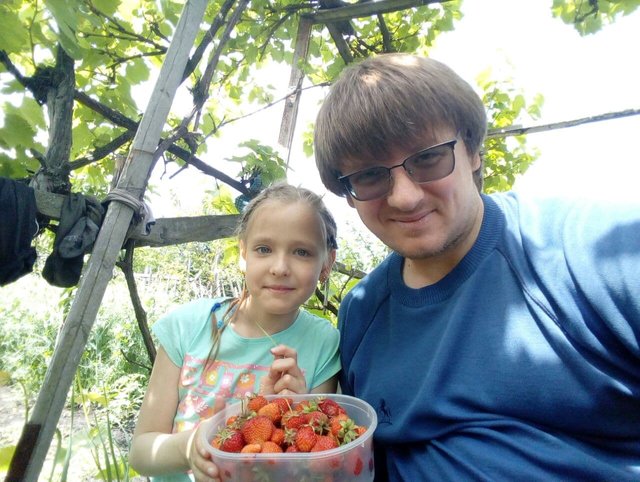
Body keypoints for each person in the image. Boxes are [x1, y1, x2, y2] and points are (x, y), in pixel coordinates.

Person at [313, 53, 640, 481]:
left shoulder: (591, 249)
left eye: (429, 158)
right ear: (350, 194)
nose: (406, 197)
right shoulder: (359, 312)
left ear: (472, 151)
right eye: (371, 176)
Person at [129, 182, 340, 481]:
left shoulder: (322, 342)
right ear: (243, 253)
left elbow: (311, 465)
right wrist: (191, 447)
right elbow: (141, 452)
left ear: (326, 264)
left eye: (302, 252)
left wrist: (298, 411)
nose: (280, 267)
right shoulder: (187, 326)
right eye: (264, 249)